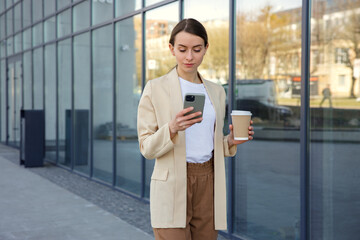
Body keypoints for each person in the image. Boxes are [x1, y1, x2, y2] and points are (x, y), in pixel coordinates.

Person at [137, 18, 254, 240]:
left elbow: (208, 142)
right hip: (172, 183)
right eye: (182, 49)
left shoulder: (217, 91)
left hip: (208, 180)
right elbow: (146, 147)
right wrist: (172, 127)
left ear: (205, 49)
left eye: (196, 49)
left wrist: (229, 142)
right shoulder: (155, 88)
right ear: (171, 49)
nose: (189, 57)